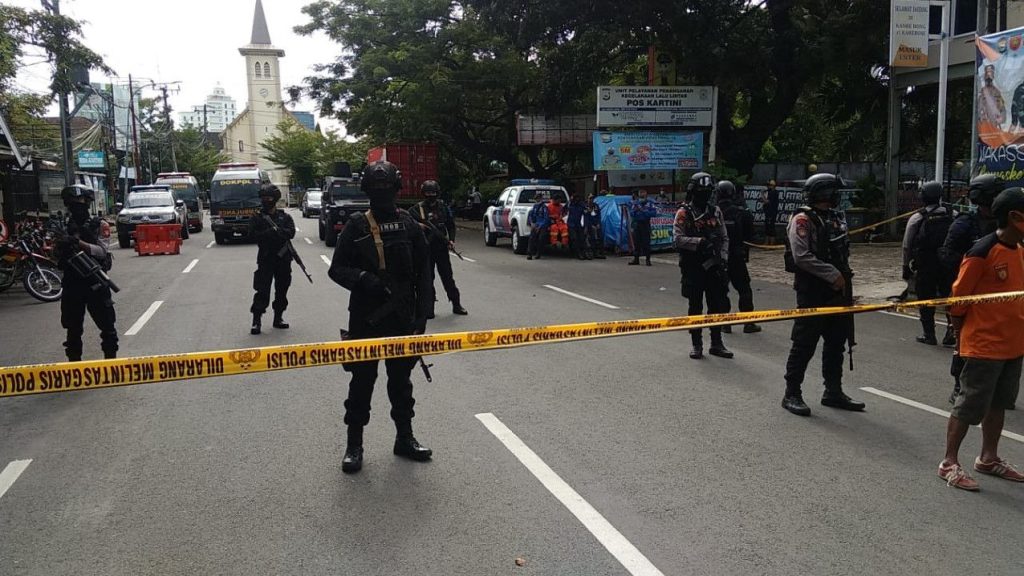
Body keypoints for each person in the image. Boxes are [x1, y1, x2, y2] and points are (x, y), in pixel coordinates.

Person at [328, 160, 433, 474]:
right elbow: (336, 269)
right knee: (362, 383)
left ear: (396, 191)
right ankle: (354, 445)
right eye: (377, 192)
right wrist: (363, 278)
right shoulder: (357, 225)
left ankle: (405, 438)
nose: (382, 197)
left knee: (401, 384)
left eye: (386, 191)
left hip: (402, 318)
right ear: (368, 192)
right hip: (366, 318)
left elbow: (425, 274)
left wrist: (422, 317)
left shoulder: (410, 225)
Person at [938, 187, 1024, 491]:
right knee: (969, 405)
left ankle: (989, 457)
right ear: (1014, 216)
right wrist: (961, 338)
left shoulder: (1020, 250)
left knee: (999, 403)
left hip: (1013, 344)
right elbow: (958, 300)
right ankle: (949, 461)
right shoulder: (982, 252)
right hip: (983, 345)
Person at [781, 173, 865, 416]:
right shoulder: (802, 220)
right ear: (825, 193)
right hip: (813, 291)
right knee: (804, 344)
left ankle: (833, 391)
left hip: (839, 291)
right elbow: (801, 256)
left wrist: (843, 280)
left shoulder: (835, 218)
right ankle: (792, 393)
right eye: (834, 192)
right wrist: (832, 275)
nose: (838, 197)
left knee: (836, 343)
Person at [941, 173, 1003, 403]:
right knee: (963, 342)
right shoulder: (965, 224)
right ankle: (959, 384)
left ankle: (995, 385)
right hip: (969, 293)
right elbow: (948, 257)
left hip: (999, 296)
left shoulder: (1005, 224)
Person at [674, 172, 733, 360]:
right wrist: (699, 242)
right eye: (702, 192)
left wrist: (722, 257)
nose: (705, 195)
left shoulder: (715, 212)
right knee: (695, 307)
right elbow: (677, 239)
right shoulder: (684, 213)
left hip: (714, 266)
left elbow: (724, 238)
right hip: (694, 267)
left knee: (716, 305)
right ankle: (696, 344)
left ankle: (717, 343)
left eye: (708, 191)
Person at [57, 184, 117, 361]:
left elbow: (102, 251)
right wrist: (61, 244)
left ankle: (112, 364)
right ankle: (75, 368)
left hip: (95, 281)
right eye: (72, 202)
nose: (76, 205)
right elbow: (55, 256)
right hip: (72, 283)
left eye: (80, 202)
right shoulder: (62, 226)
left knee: (107, 327)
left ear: (87, 203)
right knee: (73, 329)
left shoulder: (99, 224)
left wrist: (78, 243)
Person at [902, 181, 954, 345]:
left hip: (925, 265)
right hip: (948, 265)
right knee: (949, 299)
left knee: (925, 299)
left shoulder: (917, 218)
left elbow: (906, 245)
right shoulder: (953, 214)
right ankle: (951, 331)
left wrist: (906, 266)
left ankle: (929, 334)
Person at [412, 180, 467, 317]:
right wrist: (418, 226)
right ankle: (428, 308)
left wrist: (452, 240)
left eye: (433, 193)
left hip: (441, 248)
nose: (431, 196)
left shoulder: (443, 207)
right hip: (425, 249)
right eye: (428, 193)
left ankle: (456, 304)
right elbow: (407, 222)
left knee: (448, 277)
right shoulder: (417, 209)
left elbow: (451, 225)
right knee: (427, 279)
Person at [248, 184, 296, 334]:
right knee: (262, 290)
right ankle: (257, 320)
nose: (265, 201)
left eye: (268, 198)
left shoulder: (285, 217)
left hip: (283, 259)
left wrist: (278, 233)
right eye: (263, 198)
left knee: (282, 290)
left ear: (275, 199)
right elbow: (252, 235)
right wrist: (270, 232)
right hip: (266, 258)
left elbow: (291, 232)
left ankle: (278, 317)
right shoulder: (257, 217)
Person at [717, 180, 761, 334]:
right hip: (737, 256)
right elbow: (751, 236)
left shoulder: (714, 212)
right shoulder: (742, 212)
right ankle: (748, 322)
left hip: (719, 257)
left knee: (722, 290)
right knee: (744, 289)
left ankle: (724, 323)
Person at [629, 189, 657, 266]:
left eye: (643, 193)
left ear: (646, 194)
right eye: (640, 194)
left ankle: (648, 259)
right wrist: (636, 211)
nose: (642, 195)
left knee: (646, 242)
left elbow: (653, 213)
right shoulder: (635, 203)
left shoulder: (650, 203)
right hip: (637, 224)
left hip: (645, 224)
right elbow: (632, 213)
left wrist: (643, 211)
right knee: (636, 242)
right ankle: (636, 259)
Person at [527, 190, 552, 260]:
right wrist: (532, 223)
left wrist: (540, 226)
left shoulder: (544, 207)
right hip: (535, 225)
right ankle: (529, 254)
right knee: (531, 238)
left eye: (538, 198)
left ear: (541, 198)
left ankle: (538, 253)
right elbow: (531, 216)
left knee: (541, 239)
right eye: (536, 199)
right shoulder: (534, 206)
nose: (537, 200)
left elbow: (546, 218)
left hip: (542, 225)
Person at [567, 191, 589, 260]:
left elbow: (586, 215)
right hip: (571, 224)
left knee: (582, 239)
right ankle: (578, 253)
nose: (576, 200)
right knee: (575, 238)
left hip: (579, 224)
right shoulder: (570, 204)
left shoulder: (582, 205)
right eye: (575, 198)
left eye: (578, 198)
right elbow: (563, 211)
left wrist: (585, 226)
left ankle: (584, 252)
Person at [584, 193, 606, 259]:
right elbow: (586, 217)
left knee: (600, 237)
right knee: (592, 237)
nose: (591, 200)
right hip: (589, 225)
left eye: (592, 198)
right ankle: (593, 252)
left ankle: (600, 252)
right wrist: (590, 225)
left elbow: (598, 216)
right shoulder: (585, 207)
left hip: (596, 224)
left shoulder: (596, 206)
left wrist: (598, 223)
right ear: (587, 199)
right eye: (590, 198)